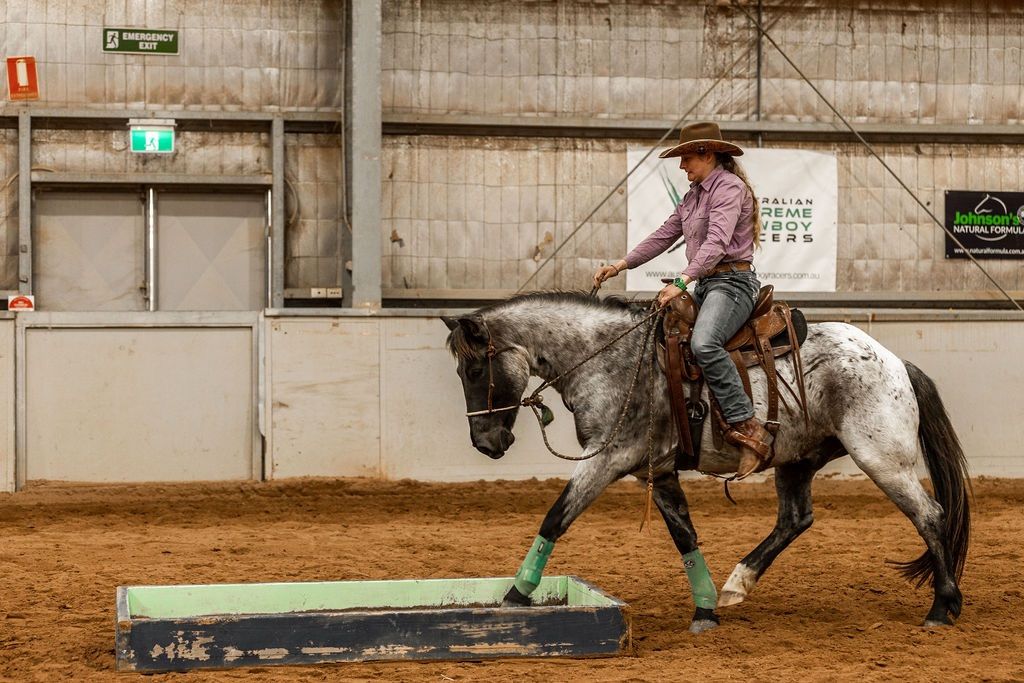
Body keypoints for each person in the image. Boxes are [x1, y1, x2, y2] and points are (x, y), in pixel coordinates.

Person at [592, 121, 770, 479]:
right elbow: (663, 235)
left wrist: (681, 280)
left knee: (705, 343)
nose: (682, 165)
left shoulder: (729, 188)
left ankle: (748, 427)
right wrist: (620, 264)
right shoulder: (693, 196)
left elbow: (717, 243)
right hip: (707, 284)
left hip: (733, 284)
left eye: (686, 157)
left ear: (707, 154)